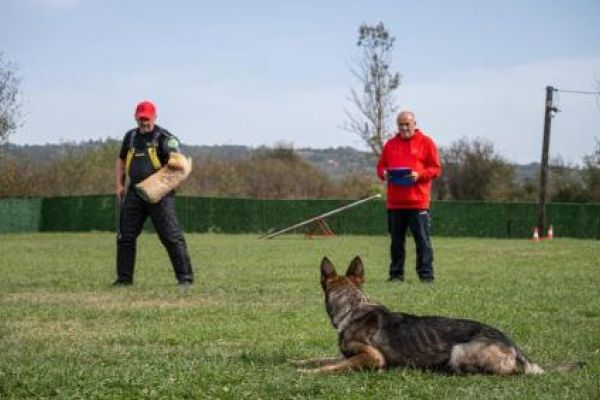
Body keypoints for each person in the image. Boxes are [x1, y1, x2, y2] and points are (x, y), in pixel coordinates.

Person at [113, 100, 194, 286]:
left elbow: (178, 163)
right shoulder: (130, 137)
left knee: (171, 236)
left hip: (160, 195)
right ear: (135, 117)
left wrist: (164, 184)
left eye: (148, 119)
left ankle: (185, 279)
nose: (144, 123)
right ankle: (124, 280)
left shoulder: (164, 138)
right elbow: (121, 160)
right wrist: (119, 184)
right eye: (141, 119)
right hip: (135, 193)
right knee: (125, 236)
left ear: (155, 117)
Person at [376, 111, 441, 283]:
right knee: (396, 242)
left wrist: (418, 175)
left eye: (407, 124)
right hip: (395, 203)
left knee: (422, 241)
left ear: (414, 124)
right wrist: (383, 173)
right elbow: (381, 166)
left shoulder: (426, 142)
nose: (404, 128)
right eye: (401, 124)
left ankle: (426, 276)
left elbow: (435, 168)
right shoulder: (390, 144)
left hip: (418, 202)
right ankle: (396, 275)